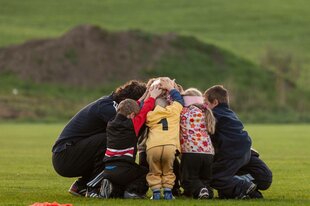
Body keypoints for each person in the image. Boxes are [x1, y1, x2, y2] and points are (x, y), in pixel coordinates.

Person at [51, 80, 146, 197]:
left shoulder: (112, 104)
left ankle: (81, 186)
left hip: (69, 154)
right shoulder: (108, 107)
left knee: (111, 141)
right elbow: (129, 129)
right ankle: (93, 188)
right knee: (110, 140)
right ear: (128, 100)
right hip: (65, 156)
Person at [90, 85, 162, 199]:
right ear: (132, 115)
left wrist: (146, 94)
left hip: (108, 169)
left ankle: (112, 189)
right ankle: (133, 192)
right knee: (145, 173)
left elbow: (134, 106)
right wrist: (152, 97)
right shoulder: (132, 124)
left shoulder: (111, 123)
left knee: (120, 188)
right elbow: (144, 110)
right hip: (124, 168)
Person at [204, 85, 273, 199]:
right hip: (246, 151)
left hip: (232, 153)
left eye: (206, 102)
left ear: (215, 102)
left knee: (212, 177)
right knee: (264, 179)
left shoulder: (213, 115)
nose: (204, 106)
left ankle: (244, 187)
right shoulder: (230, 114)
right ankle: (236, 191)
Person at [145, 78, 184, 200]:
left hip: (153, 147)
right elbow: (179, 100)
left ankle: (156, 193)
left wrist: (150, 95)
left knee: (154, 171)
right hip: (169, 146)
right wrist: (171, 88)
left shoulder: (150, 115)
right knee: (168, 170)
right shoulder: (174, 111)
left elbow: (143, 107)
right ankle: (168, 193)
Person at [179, 88, 215, 199]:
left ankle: (199, 190)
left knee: (188, 179)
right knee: (205, 179)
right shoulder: (205, 111)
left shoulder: (184, 112)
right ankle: (207, 193)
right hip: (208, 152)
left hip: (191, 151)